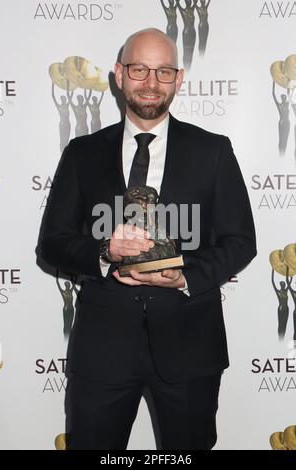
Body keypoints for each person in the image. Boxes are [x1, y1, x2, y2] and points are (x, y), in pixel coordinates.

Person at [37, 28, 256, 450]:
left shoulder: (213, 151)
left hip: (191, 346)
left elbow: (240, 240)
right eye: (139, 69)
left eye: (163, 71)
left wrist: (184, 276)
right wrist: (104, 252)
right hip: (102, 348)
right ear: (119, 75)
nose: (151, 82)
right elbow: (52, 242)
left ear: (179, 78)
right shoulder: (82, 154)